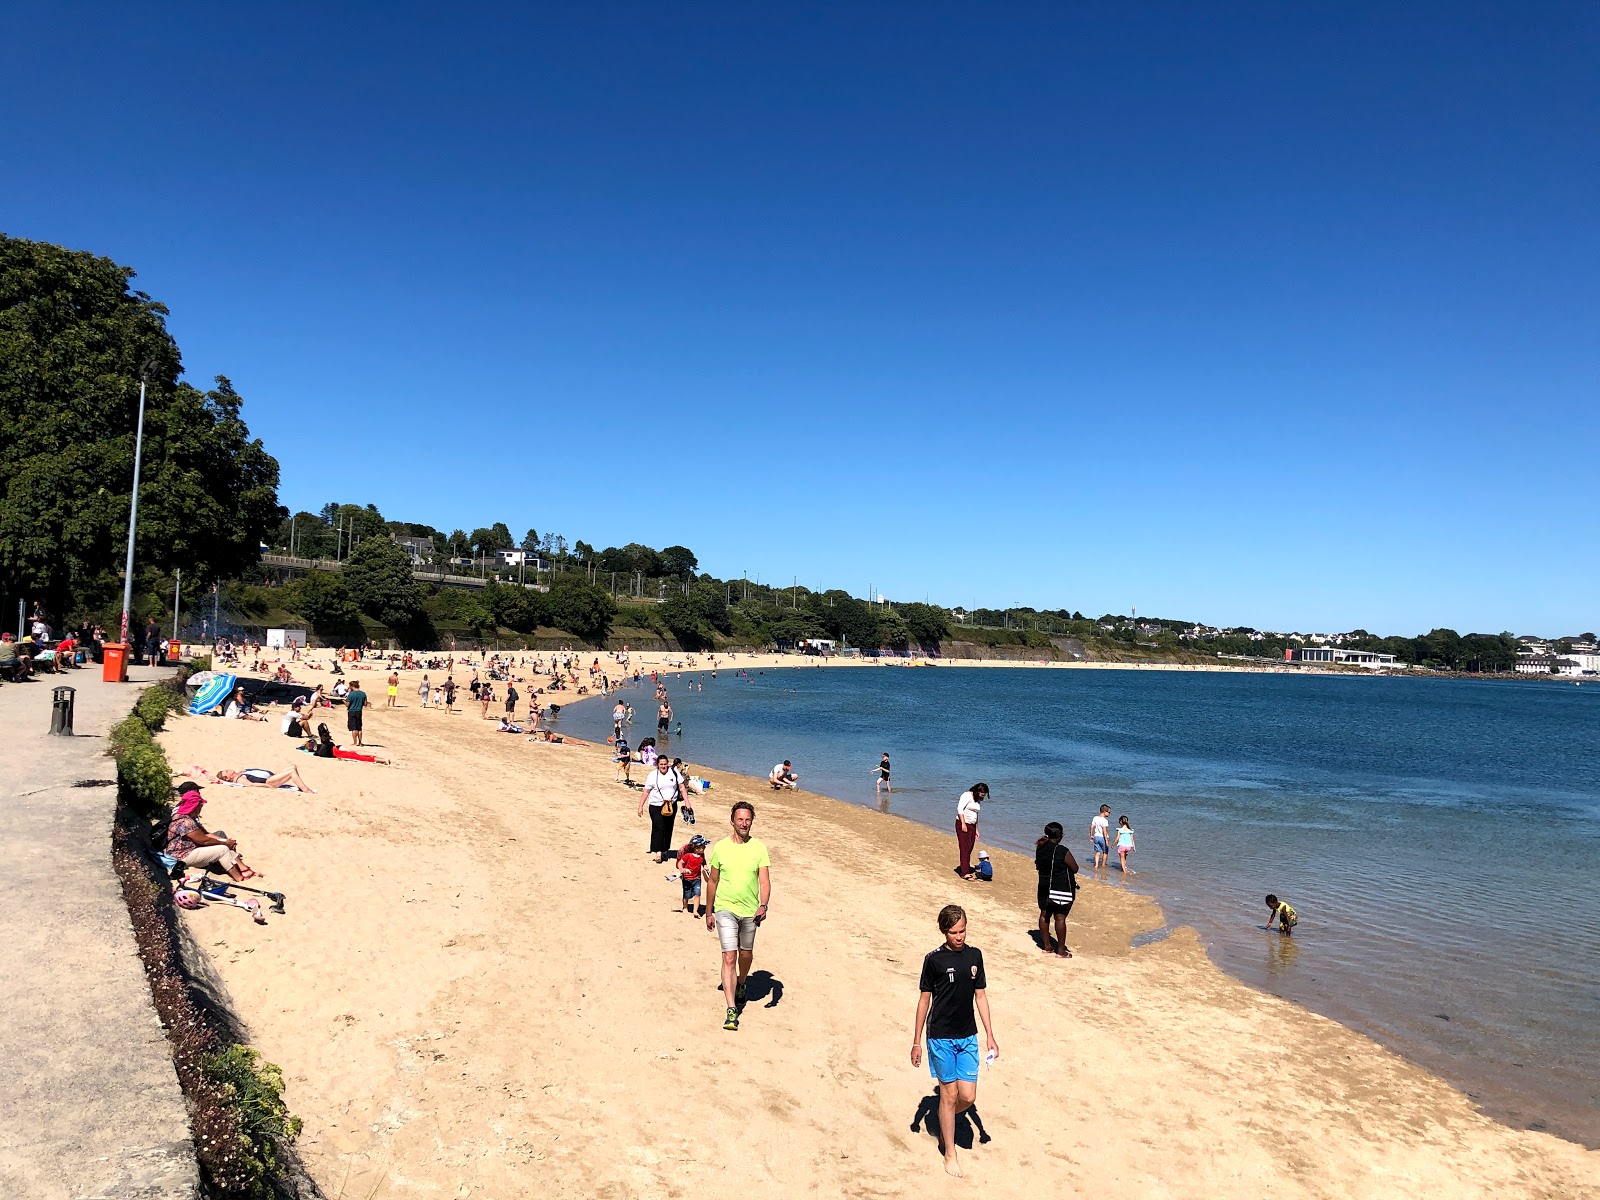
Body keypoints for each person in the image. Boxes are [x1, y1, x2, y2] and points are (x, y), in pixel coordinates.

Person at [910, 904, 998, 1178]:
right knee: (948, 1095)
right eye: (953, 932)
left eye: (962, 931)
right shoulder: (933, 960)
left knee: (968, 1097)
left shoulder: (975, 956)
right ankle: (950, 1152)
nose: (959, 937)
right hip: (941, 1037)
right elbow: (924, 1000)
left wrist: (990, 1035)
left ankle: (943, 1117)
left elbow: (980, 996)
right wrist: (916, 1042)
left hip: (968, 1036)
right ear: (943, 931)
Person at [704, 801, 771, 1032]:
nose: (744, 823)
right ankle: (731, 1009)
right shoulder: (721, 847)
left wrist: (763, 905)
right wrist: (709, 911)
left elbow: (764, 880)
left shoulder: (759, 848)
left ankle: (742, 982)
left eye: (748, 819)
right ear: (732, 821)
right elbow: (712, 881)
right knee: (729, 957)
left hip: (750, 911)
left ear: (752, 821)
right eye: (740, 819)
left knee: (746, 954)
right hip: (725, 908)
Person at [164, 783, 261, 884]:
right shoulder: (185, 821)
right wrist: (225, 843)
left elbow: (205, 835)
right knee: (222, 850)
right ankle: (239, 878)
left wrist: (225, 841)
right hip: (181, 856)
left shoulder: (187, 817)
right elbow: (204, 840)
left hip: (188, 850)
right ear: (195, 807)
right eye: (200, 806)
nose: (201, 808)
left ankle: (243, 868)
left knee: (222, 842)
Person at [1034, 822, 1079, 957]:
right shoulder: (1062, 850)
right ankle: (1060, 951)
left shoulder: (1040, 848)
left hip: (1043, 886)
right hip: (1060, 888)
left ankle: (1047, 946)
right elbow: (1075, 868)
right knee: (1060, 918)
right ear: (1060, 836)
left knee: (1044, 914)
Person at [639, 755, 682, 863]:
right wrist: (640, 806)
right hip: (656, 805)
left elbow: (681, 787)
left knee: (668, 827)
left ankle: (664, 850)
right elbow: (646, 791)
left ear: (668, 763)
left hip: (671, 805)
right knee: (658, 826)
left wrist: (687, 801)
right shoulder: (653, 775)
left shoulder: (674, 772)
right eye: (661, 764)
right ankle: (658, 852)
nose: (663, 766)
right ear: (658, 765)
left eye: (665, 764)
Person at [955, 783, 989, 880]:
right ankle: (964, 872)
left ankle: (965, 867)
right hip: (963, 824)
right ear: (978, 791)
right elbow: (960, 809)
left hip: (972, 826)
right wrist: (963, 823)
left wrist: (977, 829)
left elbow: (976, 815)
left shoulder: (977, 800)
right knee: (964, 848)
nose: (983, 797)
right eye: (982, 795)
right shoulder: (966, 795)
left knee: (970, 847)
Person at [211, 765, 317, 792]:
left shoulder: (240, 772)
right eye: (227, 772)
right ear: (228, 778)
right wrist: (268, 786)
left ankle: (301, 786)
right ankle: (306, 790)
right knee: (291, 772)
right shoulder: (239, 779)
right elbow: (251, 785)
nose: (229, 770)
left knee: (292, 766)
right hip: (270, 781)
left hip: (272, 776)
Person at [676, 833, 708, 915]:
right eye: (703, 847)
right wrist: (682, 869)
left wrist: (706, 868)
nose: (704, 848)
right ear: (696, 848)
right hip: (687, 878)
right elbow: (680, 863)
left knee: (697, 894)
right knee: (687, 894)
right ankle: (685, 907)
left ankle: (695, 911)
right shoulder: (688, 856)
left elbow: (704, 863)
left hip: (697, 879)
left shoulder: (702, 856)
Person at [346, 679, 368, 746]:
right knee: (359, 728)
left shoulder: (351, 694)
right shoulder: (363, 693)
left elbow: (347, 704)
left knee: (353, 728)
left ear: (352, 686)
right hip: (359, 711)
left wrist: (344, 702)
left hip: (352, 711)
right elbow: (365, 704)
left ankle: (355, 742)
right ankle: (360, 742)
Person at [1090, 804, 1112, 870]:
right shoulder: (1104, 820)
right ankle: (1103, 865)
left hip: (1096, 837)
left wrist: (1091, 835)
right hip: (1102, 837)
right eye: (1109, 812)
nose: (1109, 814)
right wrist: (1107, 841)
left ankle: (1096, 865)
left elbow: (1091, 826)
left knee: (1097, 852)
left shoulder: (1095, 818)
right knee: (1105, 852)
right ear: (1105, 812)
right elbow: (1104, 831)